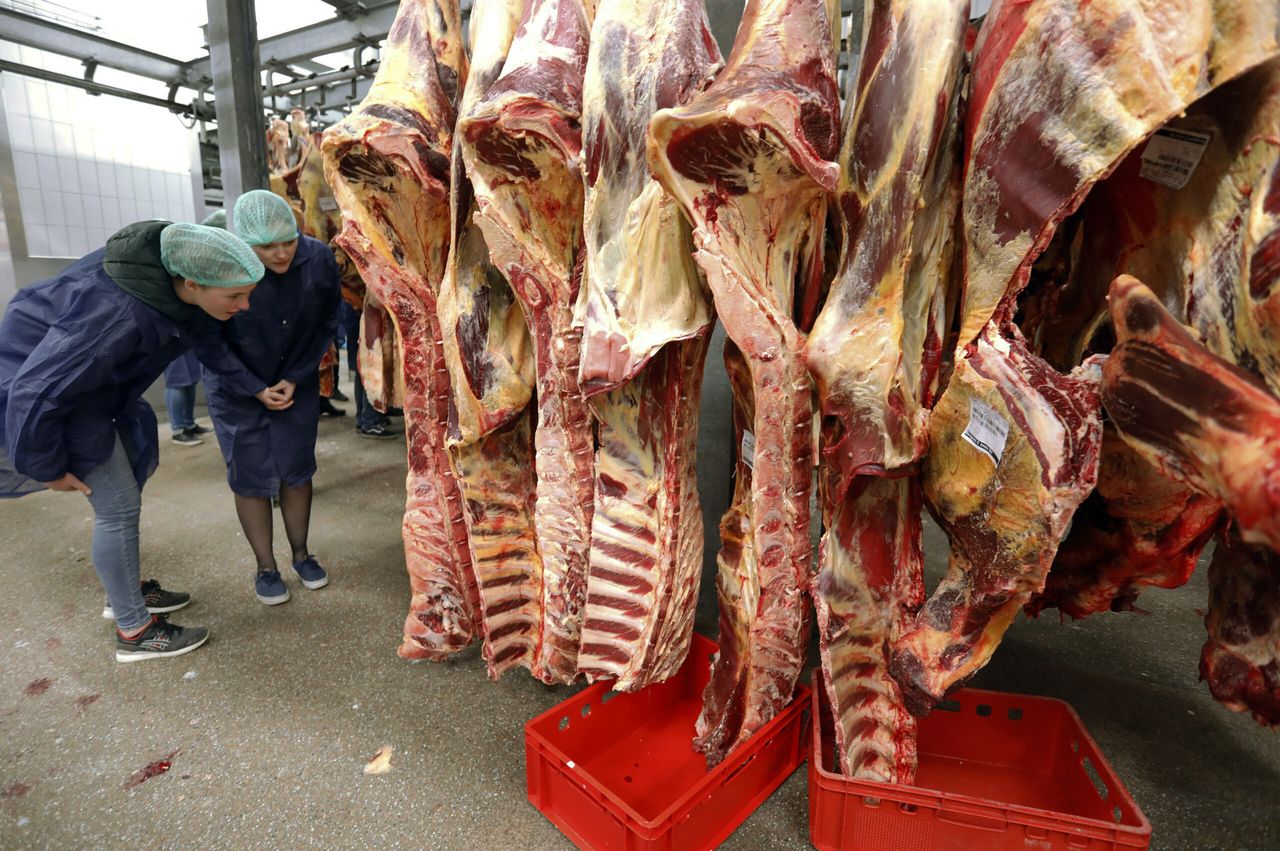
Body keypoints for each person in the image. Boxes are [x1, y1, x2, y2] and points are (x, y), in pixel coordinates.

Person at [0, 221, 264, 661]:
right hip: (56, 396)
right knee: (118, 508)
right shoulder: (115, 313)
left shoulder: (180, 281)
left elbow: (209, 345)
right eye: (235, 296)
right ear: (192, 283)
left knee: (127, 489)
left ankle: (124, 591)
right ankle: (133, 631)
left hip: (93, 390)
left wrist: (254, 385)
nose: (245, 305)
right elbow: (38, 390)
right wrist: (43, 466)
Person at [197, 190, 340, 606]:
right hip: (237, 387)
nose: (280, 254)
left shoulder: (318, 259)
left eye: (288, 241)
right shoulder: (222, 266)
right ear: (244, 243)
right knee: (251, 476)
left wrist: (297, 376)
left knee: (297, 469)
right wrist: (254, 387)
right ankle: (266, 566)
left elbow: (328, 319)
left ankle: (301, 554)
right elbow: (208, 341)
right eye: (266, 247)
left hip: (297, 380)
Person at [163, 351, 211, 446]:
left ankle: (189, 425)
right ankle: (178, 430)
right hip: (170, 340)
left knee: (191, 379)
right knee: (176, 380)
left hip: (186, 339)